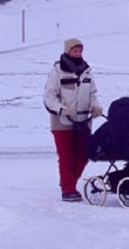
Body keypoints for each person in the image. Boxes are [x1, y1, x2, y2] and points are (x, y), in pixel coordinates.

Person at [43, 38, 104, 202]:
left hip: (83, 120)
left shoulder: (87, 72)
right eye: (74, 51)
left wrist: (95, 106)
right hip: (62, 122)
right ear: (67, 51)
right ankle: (68, 189)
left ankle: (69, 182)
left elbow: (92, 94)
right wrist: (62, 109)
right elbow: (49, 97)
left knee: (83, 155)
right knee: (66, 156)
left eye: (80, 51)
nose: (77, 54)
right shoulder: (57, 72)